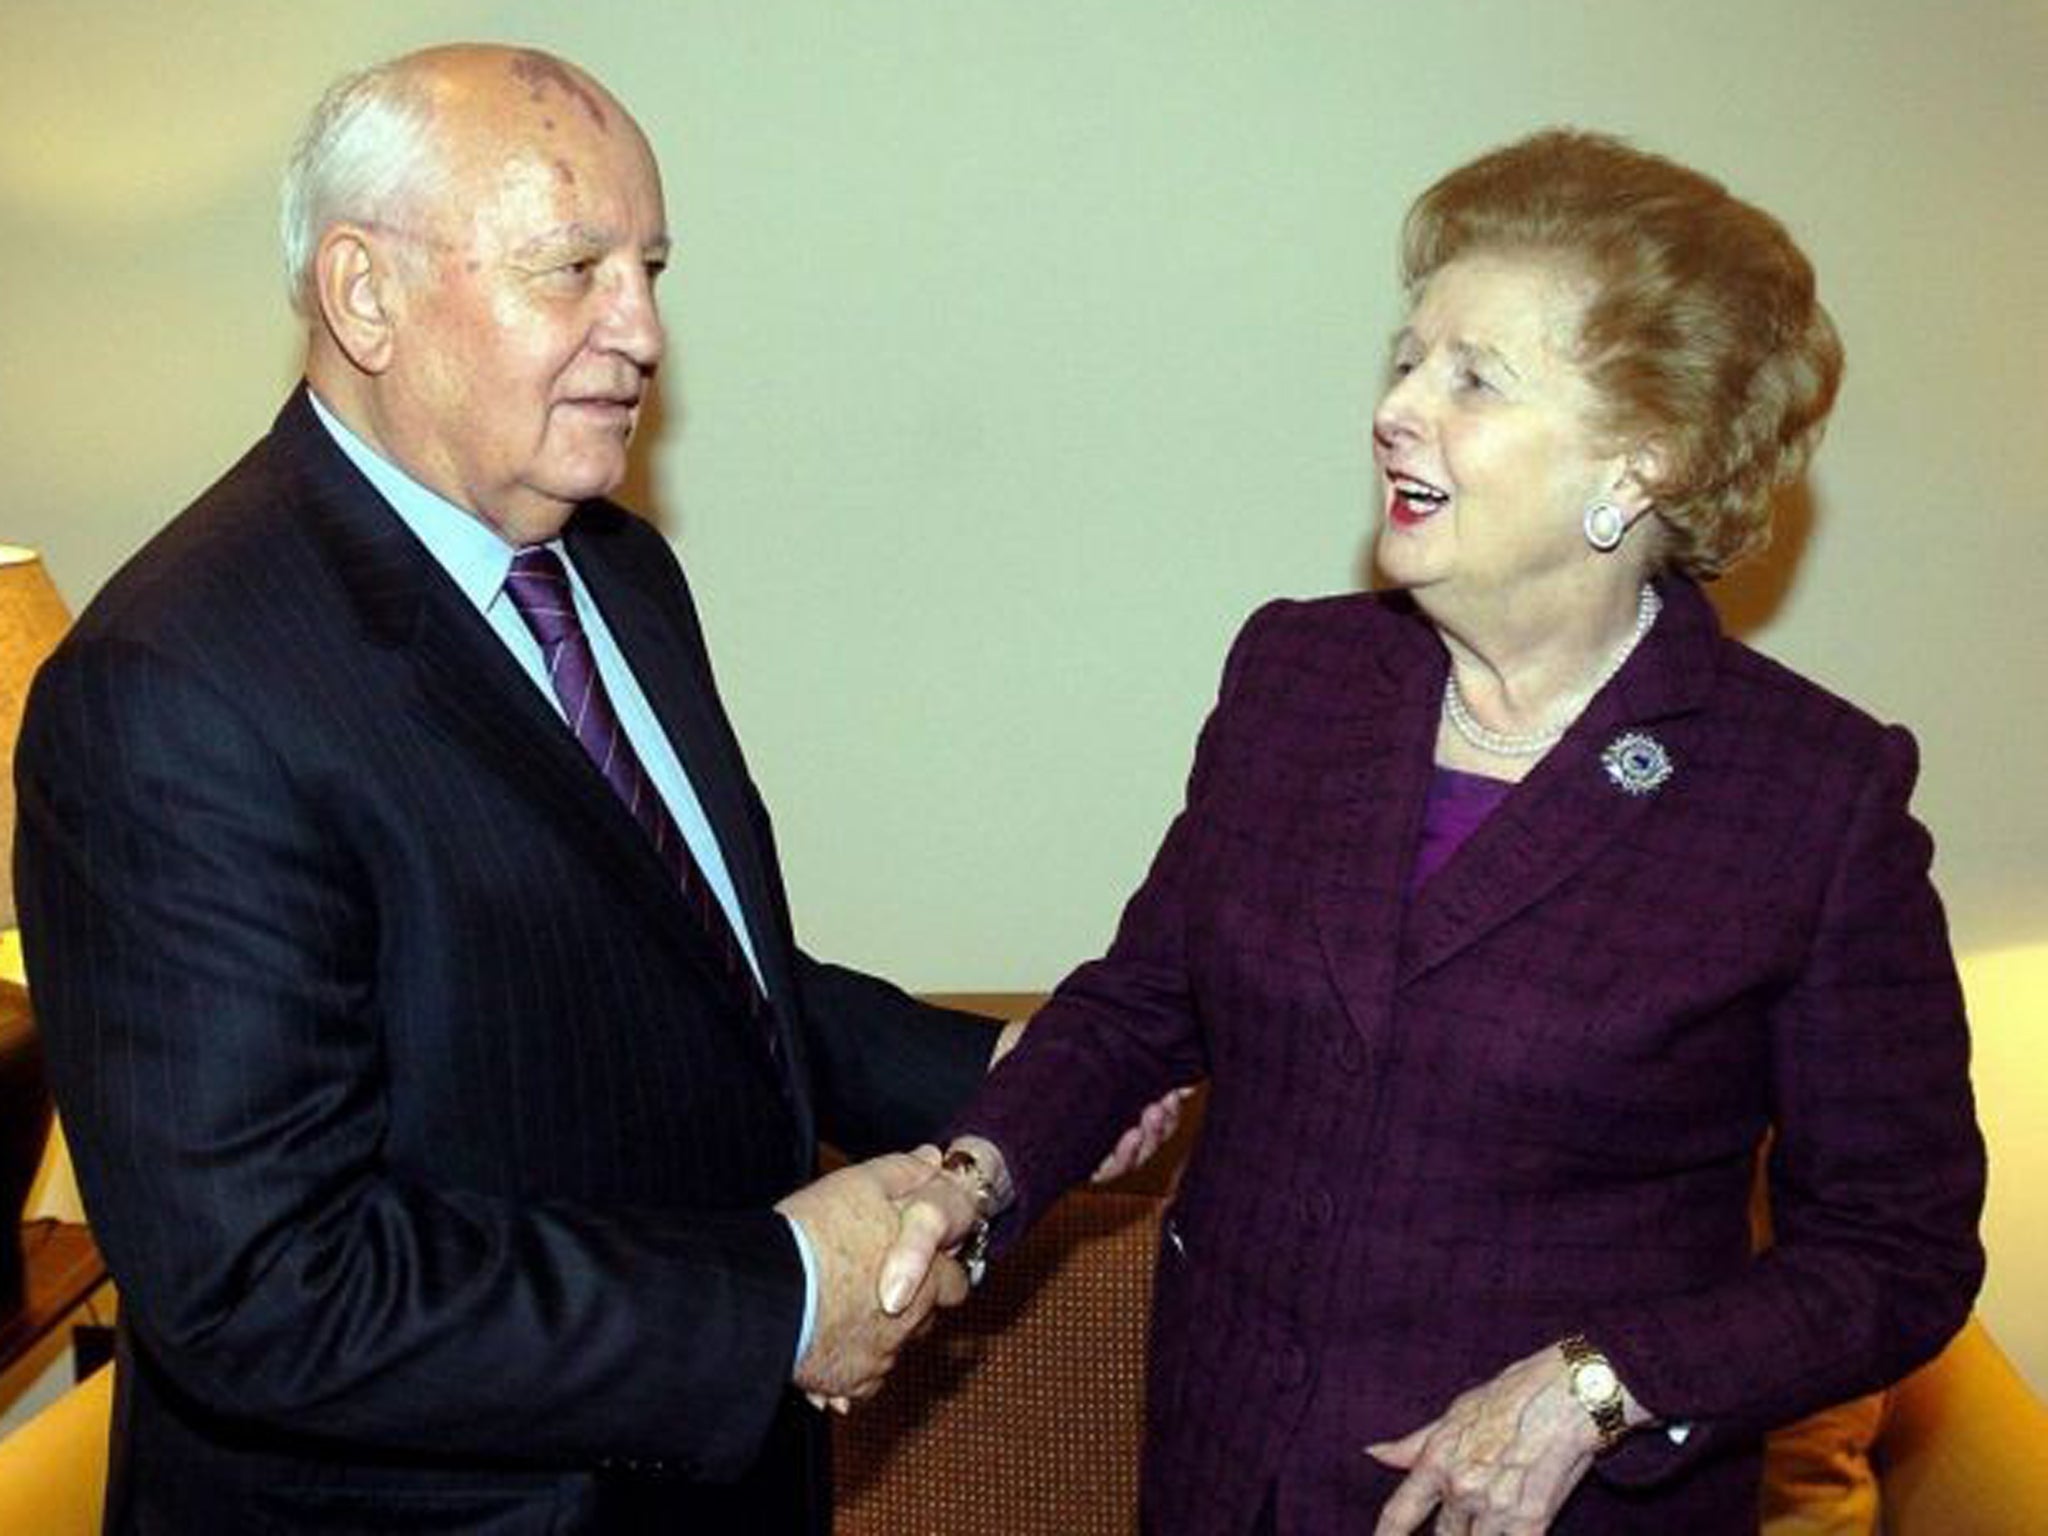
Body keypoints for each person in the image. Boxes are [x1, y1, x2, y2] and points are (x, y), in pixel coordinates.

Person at [12, 43, 1178, 1534]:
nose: (642, 330)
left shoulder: (614, 570)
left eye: (651, 269)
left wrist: (1018, 1071)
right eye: (574, 268)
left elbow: (708, 985)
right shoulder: (173, 687)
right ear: (365, 295)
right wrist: (779, 1296)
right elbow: (271, 1287)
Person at [892, 129, 1986, 1534]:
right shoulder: (1300, 675)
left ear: (1642, 460)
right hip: (1228, 1473)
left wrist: (1605, 1387)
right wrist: (972, 1178)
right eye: (1406, 362)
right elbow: (1141, 1006)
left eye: (1474, 379)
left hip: (1548, 1510)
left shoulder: (1809, 796)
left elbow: (1896, 1251)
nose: (1397, 410)